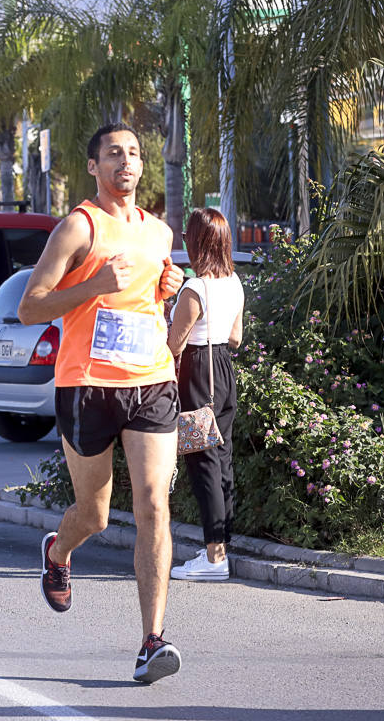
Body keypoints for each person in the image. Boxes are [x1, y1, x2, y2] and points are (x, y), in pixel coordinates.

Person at [18, 122, 185, 684]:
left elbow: (147, 299)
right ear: (94, 167)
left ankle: (151, 641)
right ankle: (60, 552)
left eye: (134, 153)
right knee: (93, 513)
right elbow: (31, 307)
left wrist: (166, 289)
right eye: (114, 154)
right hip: (87, 383)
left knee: (153, 505)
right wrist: (93, 284)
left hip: (152, 379)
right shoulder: (79, 227)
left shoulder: (159, 232)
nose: (127, 163)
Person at [166, 209, 244, 581]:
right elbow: (236, 338)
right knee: (221, 457)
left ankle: (214, 559)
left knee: (203, 464)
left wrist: (169, 315)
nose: (184, 243)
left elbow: (174, 344)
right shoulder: (234, 282)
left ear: (198, 243)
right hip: (224, 372)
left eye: (187, 238)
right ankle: (220, 547)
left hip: (198, 374)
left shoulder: (194, 288)